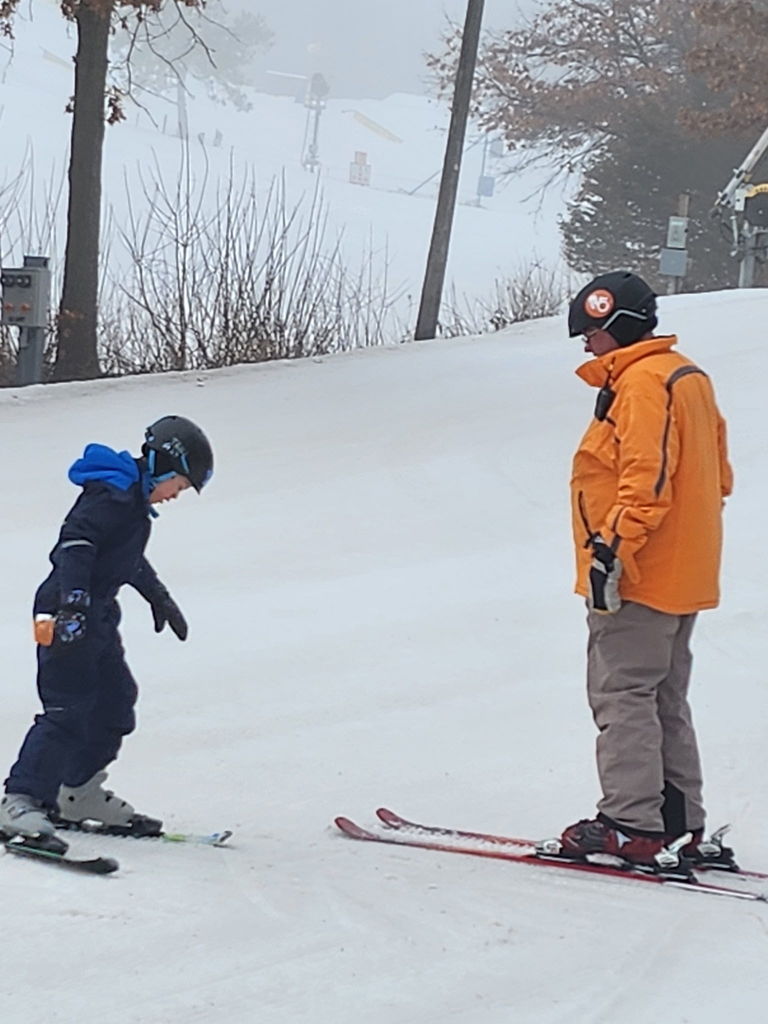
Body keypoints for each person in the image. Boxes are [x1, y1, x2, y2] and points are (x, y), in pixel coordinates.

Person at [559, 270, 734, 870]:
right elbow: (721, 476)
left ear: (616, 325)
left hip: (639, 572)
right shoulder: (687, 376)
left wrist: (612, 551)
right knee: (663, 697)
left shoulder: (640, 384)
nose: (584, 341)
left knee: (623, 693)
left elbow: (645, 482)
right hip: (683, 571)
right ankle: (680, 823)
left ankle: (630, 824)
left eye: (590, 330)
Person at [0, 415, 213, 851]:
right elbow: (75, 544)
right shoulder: (110, 497)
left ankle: (76, 792)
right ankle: (19, 800)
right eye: (180, 484)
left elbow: (126, 559)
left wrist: (159, 597)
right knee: (68, 708)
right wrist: (73, 604)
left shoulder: (132, 504)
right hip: (62, 615)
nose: (177, 495)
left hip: (95, 615)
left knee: (116, 700)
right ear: (162, 467)